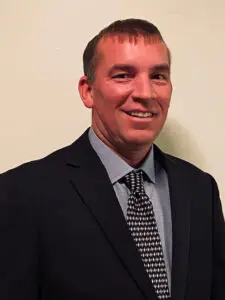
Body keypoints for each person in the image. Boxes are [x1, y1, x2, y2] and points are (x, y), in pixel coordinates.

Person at [0, 18, 224, 300]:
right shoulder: (20, 193)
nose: (145, 93)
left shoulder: (200, 189)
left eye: (158, 76)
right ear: (88, 90)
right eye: (123, 75)